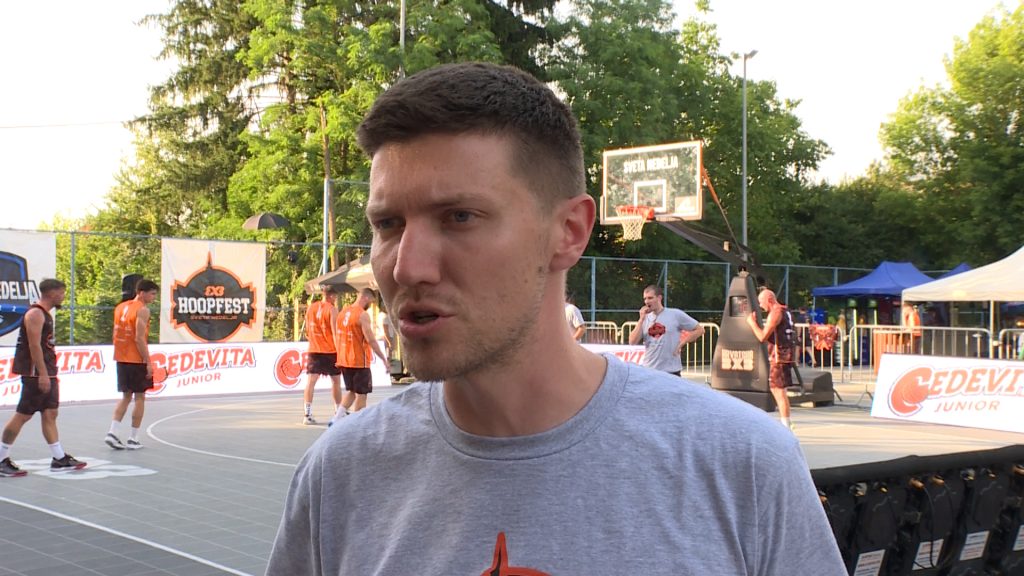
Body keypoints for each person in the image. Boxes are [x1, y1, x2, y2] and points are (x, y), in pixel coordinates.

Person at [267, 62, 845, 574]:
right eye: (388, 224)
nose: (407, 266)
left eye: (459, 217)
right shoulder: (339, 477)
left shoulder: (743, 466)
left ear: (568, 232)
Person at [0, 279, 87, 477]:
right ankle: (1, 458)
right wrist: (43, 374)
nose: (63, 296)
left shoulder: (46, 315)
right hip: (35, 373)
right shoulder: (35, 314)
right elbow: (34, 346)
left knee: (50, 413)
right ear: (51, 293)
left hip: (47, 370)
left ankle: (59, 458)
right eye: (61, 293)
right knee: (23, 415)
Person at [105, 279, 159, 450]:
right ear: (141, 293)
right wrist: (148, 361)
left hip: (121, 357)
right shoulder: (142, 310)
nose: (154, 297)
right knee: (140, 397)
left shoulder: (120, 307)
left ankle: (113, 432)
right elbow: (139, 338)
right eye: (152, 294)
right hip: (135, 358)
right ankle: (133, 438)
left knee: (126, 397)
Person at [745, 289, 797, 430]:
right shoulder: (786, 311)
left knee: (778, 391)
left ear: (769, 300)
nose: (760, 306)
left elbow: (762, 336)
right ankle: (786, 421)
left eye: (761, 302)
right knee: (778, 390)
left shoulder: (775, 312)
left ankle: (786, 424)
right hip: (785, 354)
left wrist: (752, 323)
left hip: (779, 356)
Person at [332, 288, 387, 419]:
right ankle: (357, 422)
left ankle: (336, 418)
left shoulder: (343, 312)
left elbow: (338, 335)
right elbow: (371, 340)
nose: (370, 305)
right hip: (358, 360)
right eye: (371, 302)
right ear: (366, 298)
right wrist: (383, 359)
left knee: (352, 391)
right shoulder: (362, 315)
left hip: (344, 359)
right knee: (362, 394)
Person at [627, 284, 705, 376]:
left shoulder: (675, 314)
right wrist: (641, 320)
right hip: (650, 369)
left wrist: (682, 343)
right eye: (645, 299)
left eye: (650, 298)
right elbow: (632, 341)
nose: (647, 301)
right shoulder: (645, 318)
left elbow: (700, 330)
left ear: (659, 298)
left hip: (671, 370)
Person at [301, 285, 341, 425]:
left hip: (314, 349)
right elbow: (335, 332)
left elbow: (307, 329)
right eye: (335, 297)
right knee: (336, 381)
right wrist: (339, 351)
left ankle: (307, 414)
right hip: (329, 350)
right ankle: (338, 412)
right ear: (331, 296)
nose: (335, 300)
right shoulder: (332, 310)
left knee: (311, 382)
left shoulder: (311, 308)